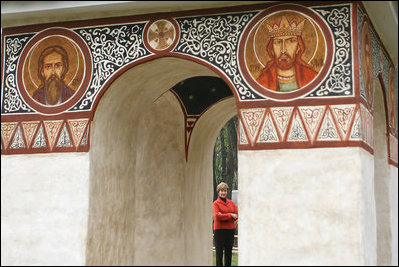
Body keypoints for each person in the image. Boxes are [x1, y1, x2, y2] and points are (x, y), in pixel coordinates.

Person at [256, 16, 318, 92]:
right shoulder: (262, 81)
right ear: (271, 49)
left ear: (298, 47)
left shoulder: (311, 77)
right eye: (278, 42)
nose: (283, 50)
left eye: (291, 41)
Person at [213, 182, 238, 266]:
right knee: (219, 253)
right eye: (221, 191)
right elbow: (217, 216)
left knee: (228, 252)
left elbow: (237, 215)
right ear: (218, 192)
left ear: (227, 191)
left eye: (225, 191)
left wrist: (223, 215)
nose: (223, 193)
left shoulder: (232, 203)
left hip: (230, 230)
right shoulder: (215, 204)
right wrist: (230, 215)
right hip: (219, 231)